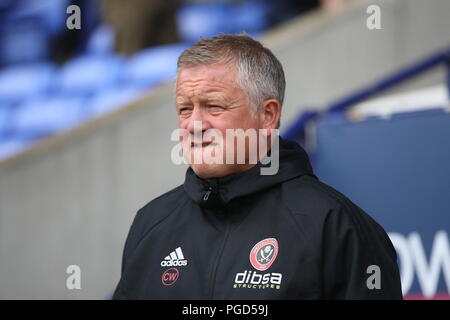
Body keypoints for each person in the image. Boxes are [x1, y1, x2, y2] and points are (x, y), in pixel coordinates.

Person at [112, 34, 403, 300]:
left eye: (214, 106)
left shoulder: (335, 226)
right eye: (185, 109)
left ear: (267, 115)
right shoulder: (151, 223)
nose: (194, 125)